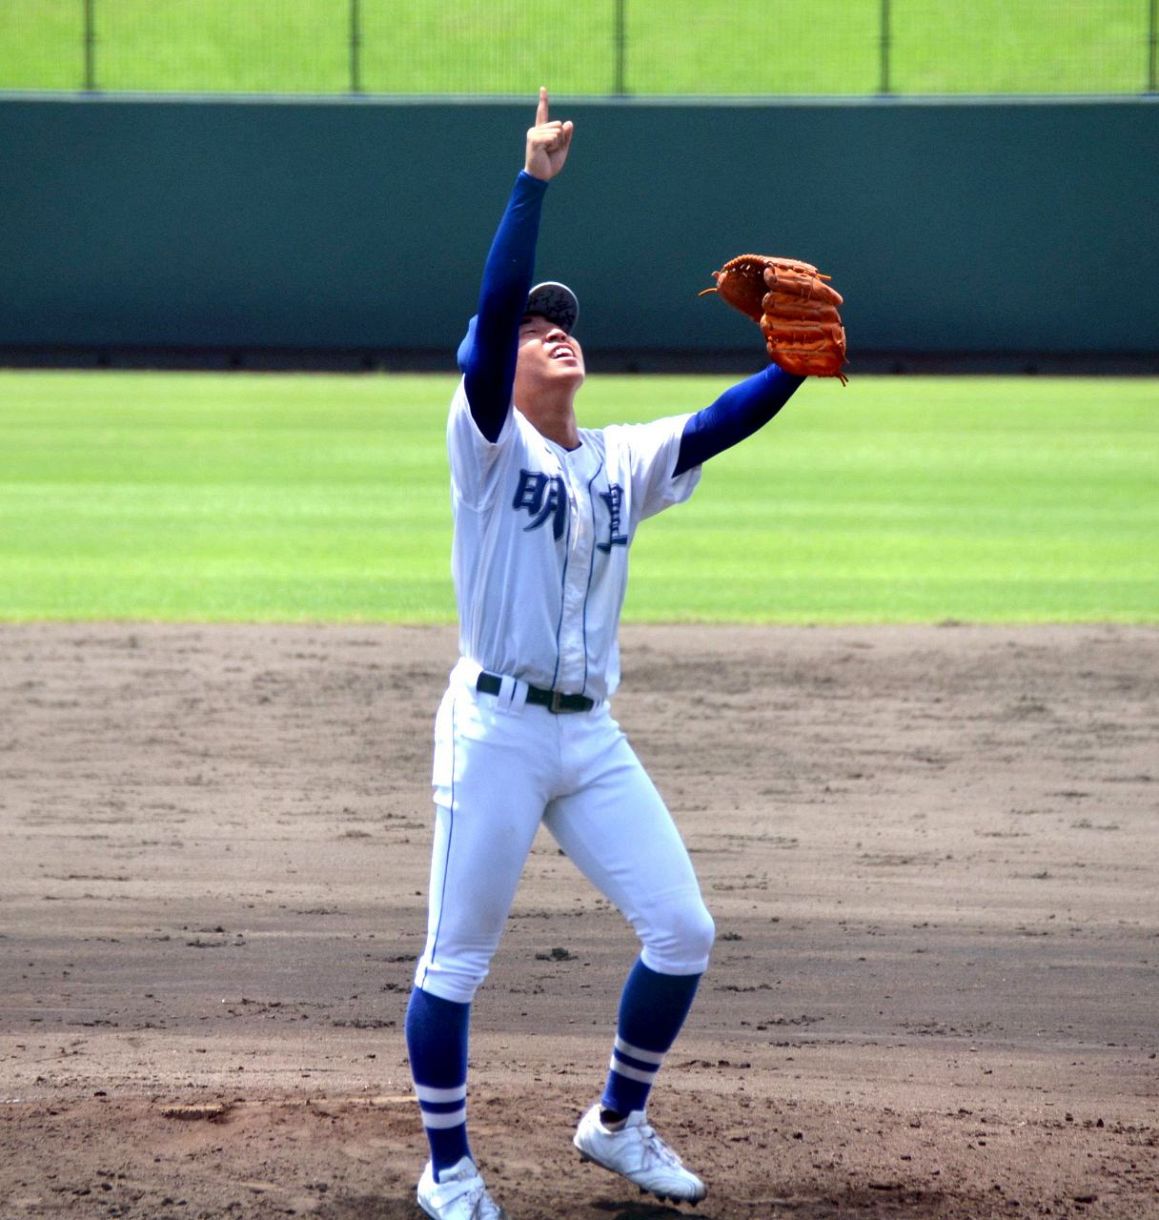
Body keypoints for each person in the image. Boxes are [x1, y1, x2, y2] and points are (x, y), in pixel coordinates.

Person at [405, 87, 805, 1220]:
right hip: (490, 731)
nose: (553, 330)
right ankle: (449, 1169)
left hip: (588, 736)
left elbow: (717, 422)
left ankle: (616, 1121)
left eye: (563, 320)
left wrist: (790, 363)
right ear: (496, 359)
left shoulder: (618, 458)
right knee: (456, 961)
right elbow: (492, 310)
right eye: (534, 328)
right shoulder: (483, 443)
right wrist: (531, 183)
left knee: (682, 929)